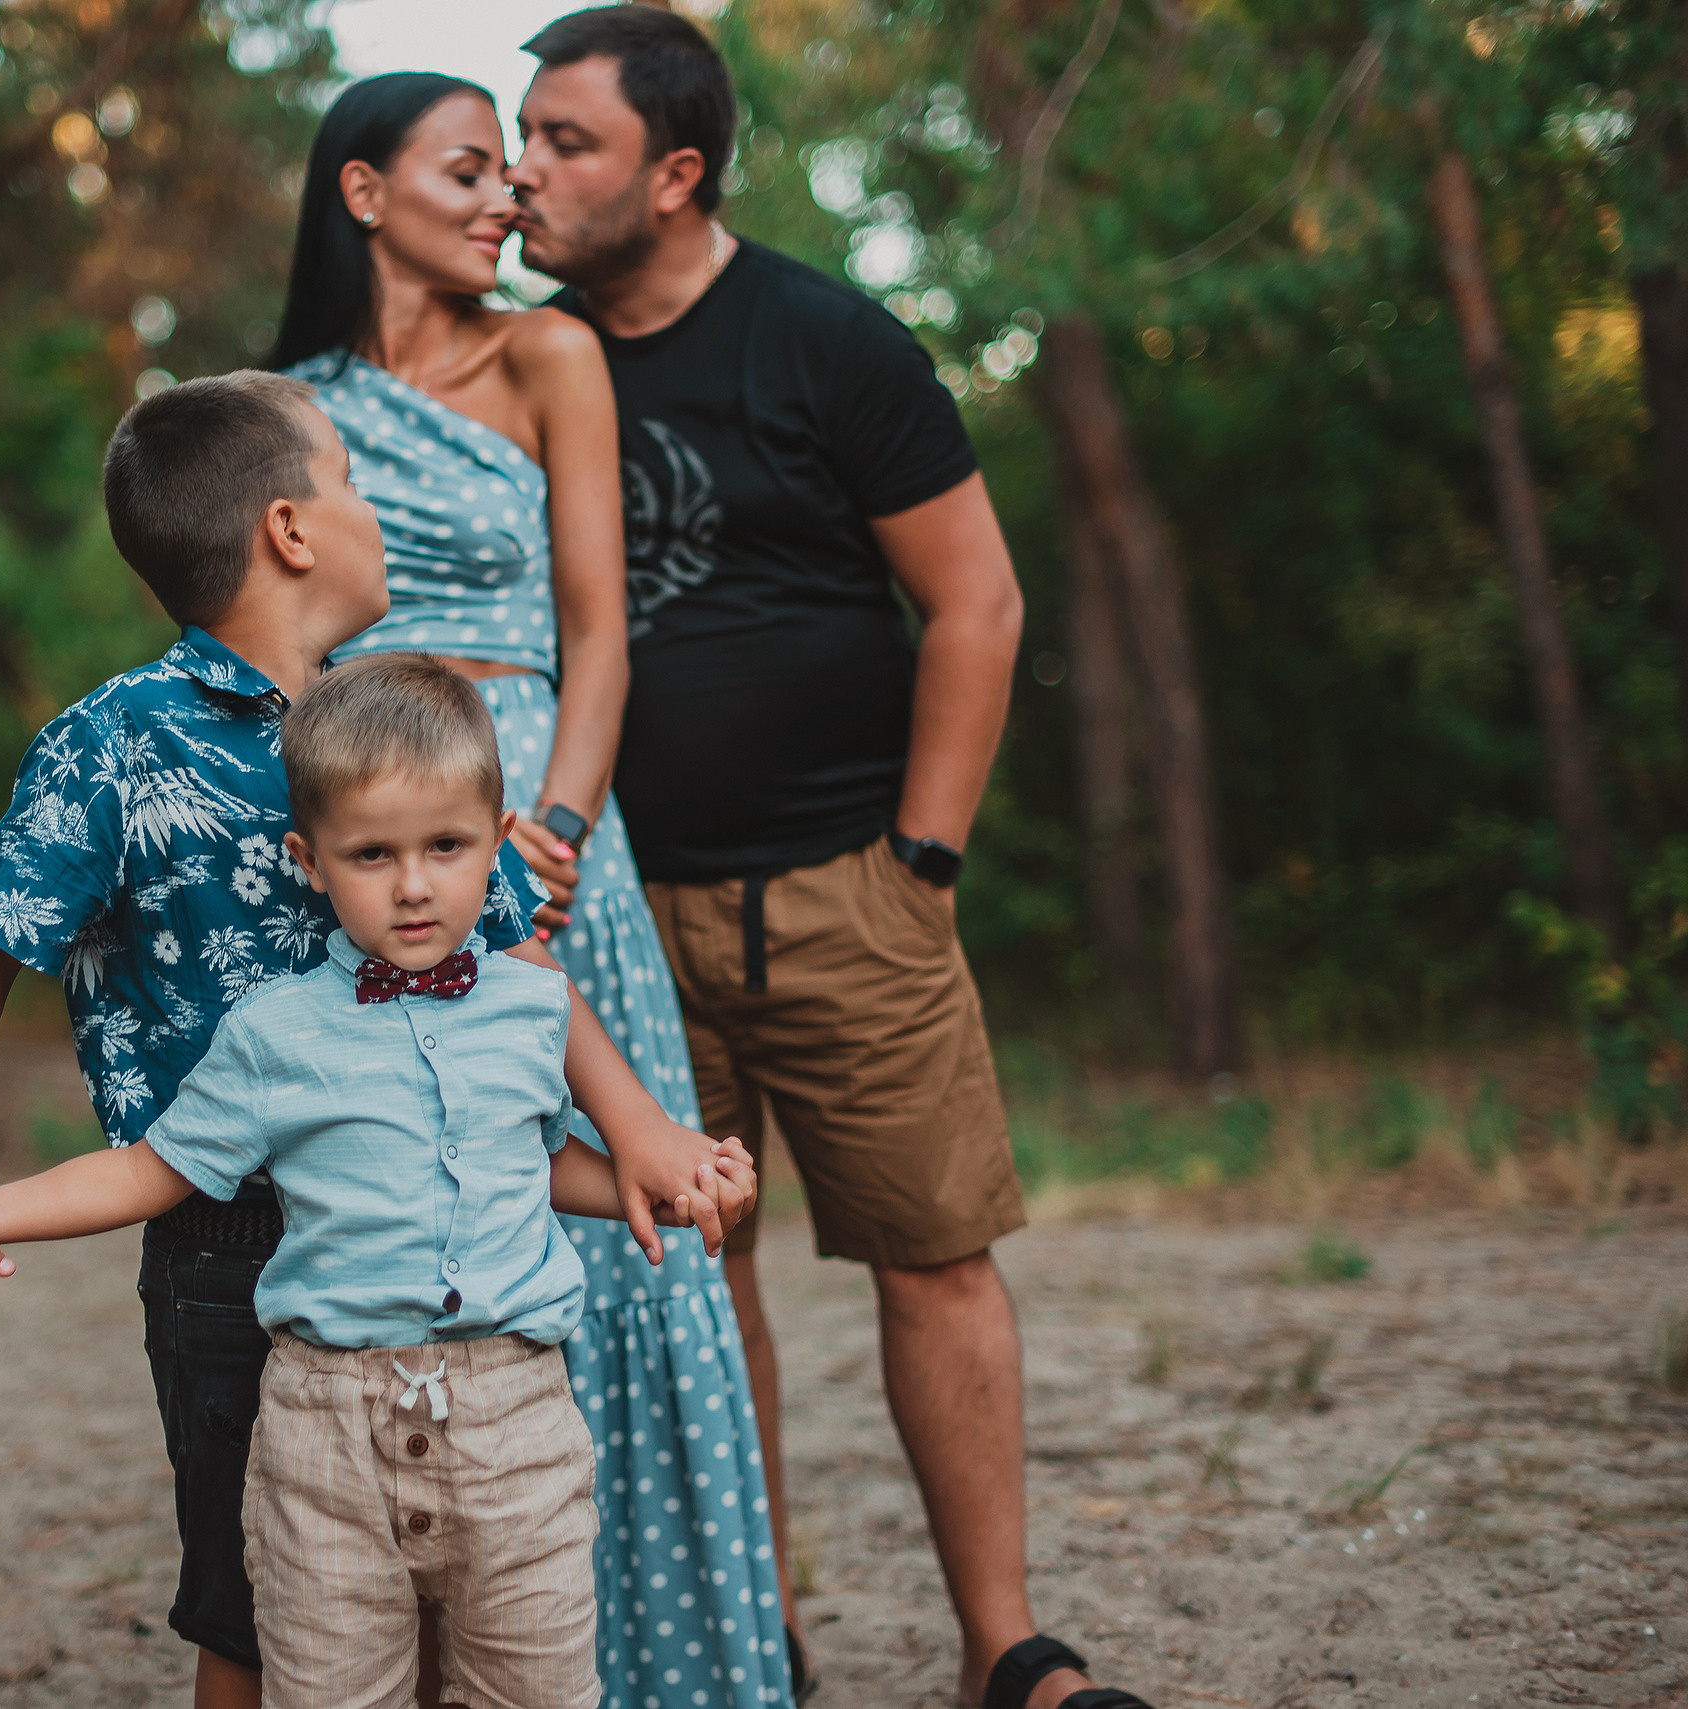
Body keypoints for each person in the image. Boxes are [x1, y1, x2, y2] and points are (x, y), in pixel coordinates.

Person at [0, 370, 751, 1709]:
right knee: (261, 1619)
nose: (378, 512)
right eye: (358, 484)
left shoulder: (401, 728)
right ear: (291, 529)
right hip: (231, 1246)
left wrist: (645, 1130)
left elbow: (518, 972)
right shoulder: (118, 744)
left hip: (437, 1219)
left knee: (465, 1603)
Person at [500, 13, 1159, 1709]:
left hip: (847, 892)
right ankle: (751, 1640)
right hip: (621, 922)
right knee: (683, 1273)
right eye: (519, 134)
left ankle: (1006, 1649)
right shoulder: (523, 364)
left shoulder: (825, 341)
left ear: (676, 170)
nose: (525, 168)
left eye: (566, 140)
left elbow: (977, 602)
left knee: (933, 1250)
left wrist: (921, 855)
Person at [267, 72, 797, 1709]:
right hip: (368, 826)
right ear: (363, 193)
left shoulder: (549, 356)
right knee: (406, 1200)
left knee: (616, 1219)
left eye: (517, 169)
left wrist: (550, 833)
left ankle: (657, 1661)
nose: (507, 198)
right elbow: (278, 644)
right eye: (468, 168)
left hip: (547, 822)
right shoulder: (289, 403)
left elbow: (600, 628)